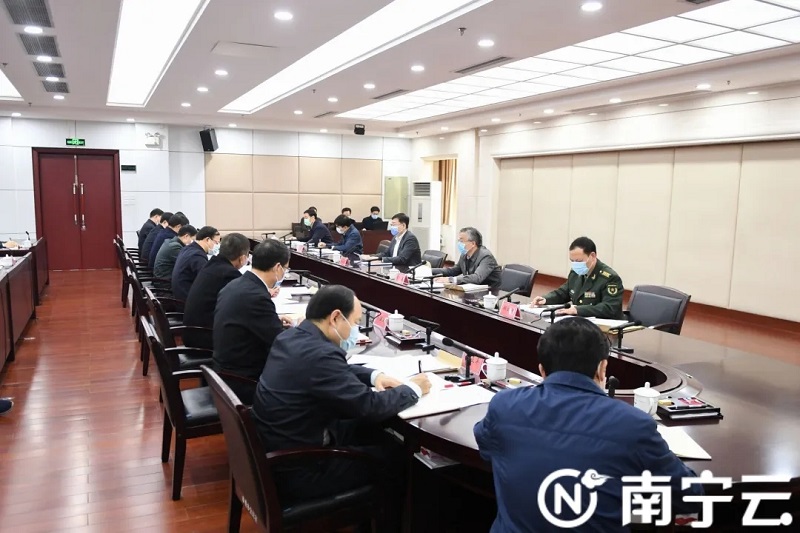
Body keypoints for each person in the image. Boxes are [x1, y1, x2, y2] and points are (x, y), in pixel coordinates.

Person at [474, 317, 701, 532]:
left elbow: (486, 447)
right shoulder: (633, 425)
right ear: (602, 368)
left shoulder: (504, 405)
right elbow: (690, 496)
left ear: (542, 370)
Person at [252, 285, 431, 513]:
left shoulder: (290, 337)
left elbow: (333, 370)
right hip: (301, 471)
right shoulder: (321, 354)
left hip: (280, 449)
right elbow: (370, 406)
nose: (355, 330)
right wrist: (413, 388)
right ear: (336, 317)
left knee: (374, 433)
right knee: (397, 457)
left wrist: (375, 375)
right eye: (355, 323)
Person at [213, 240, 292, 404]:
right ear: (278, 267)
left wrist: (273, 320)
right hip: (243, 381)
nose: (285, 272)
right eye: (286, 268)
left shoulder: (236, 284)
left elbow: (249, 321)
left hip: (224, 372)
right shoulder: (257, 297)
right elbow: (281, 343)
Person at [183, 233, 250, 350]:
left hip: (193, 332)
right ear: (243, 258)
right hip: (204, 337)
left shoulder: (212, 264)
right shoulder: (229, 274)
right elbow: (245, 306)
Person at [532, 236, 624, 319]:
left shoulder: (610, 278)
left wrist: (578, 310)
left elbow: (610, 308)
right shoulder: (576, 272)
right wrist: (546, 299)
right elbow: (564, 292)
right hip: (580, 322)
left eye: (579, 261)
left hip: (603, 326)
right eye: (572, 261)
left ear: (592, 256)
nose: (575, 265)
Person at [432, 227, 501, 288]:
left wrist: (450, 279)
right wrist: (430, 271)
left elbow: (477, 278)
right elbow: (453, 271)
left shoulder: (486, 256)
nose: (459, 244)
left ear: (473, 243)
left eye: (461, 241)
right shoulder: (464, 254)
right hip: (473, 289)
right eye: (458, 241)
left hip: (491, 292)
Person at [171, 226, 220, 301]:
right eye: (216, 242)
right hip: (187, 300)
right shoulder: (197, 256)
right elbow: (207, 280)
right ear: (207, 239)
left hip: (180, 295)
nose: (217, 246)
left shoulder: (188, 249)